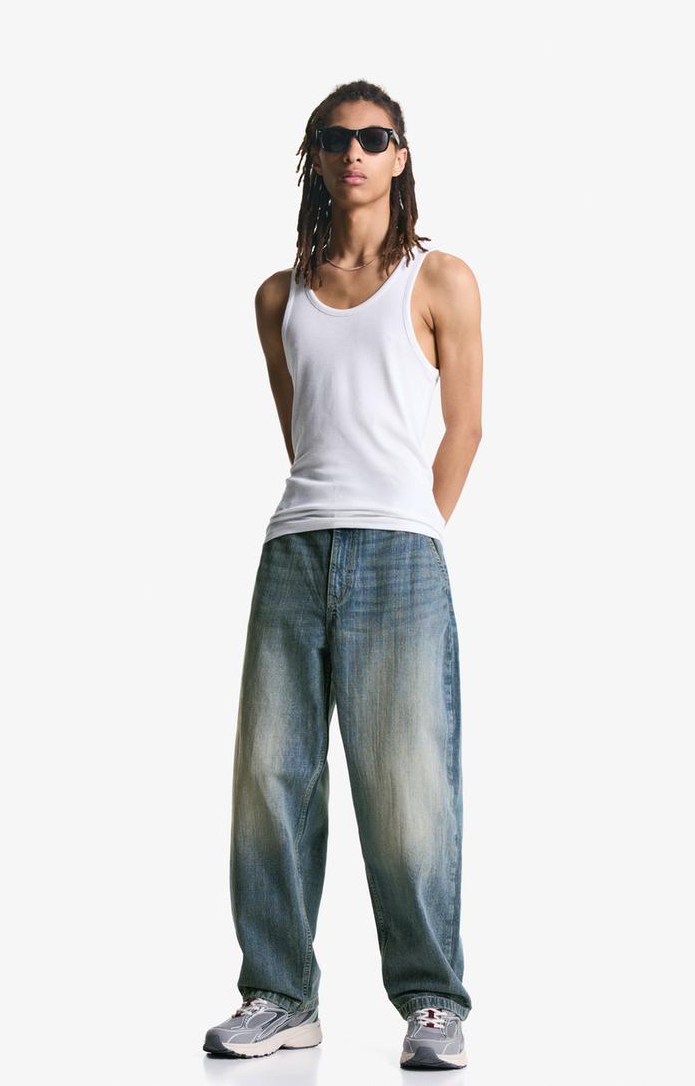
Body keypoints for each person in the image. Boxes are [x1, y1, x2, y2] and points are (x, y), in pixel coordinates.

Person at [203, 79, 483, 1071]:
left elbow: (465, 428)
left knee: (409, 786)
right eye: (335, 138)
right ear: (315, 158)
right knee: (269, 779)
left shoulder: (440, 280)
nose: (354, 152)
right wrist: (336, 514)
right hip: (293, 549)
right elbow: (305, 434)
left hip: (401, 552)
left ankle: (433, 1003)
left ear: (400, 156)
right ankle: (280, 994)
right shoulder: (278, 297)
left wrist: (412, 525)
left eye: (373, 136)